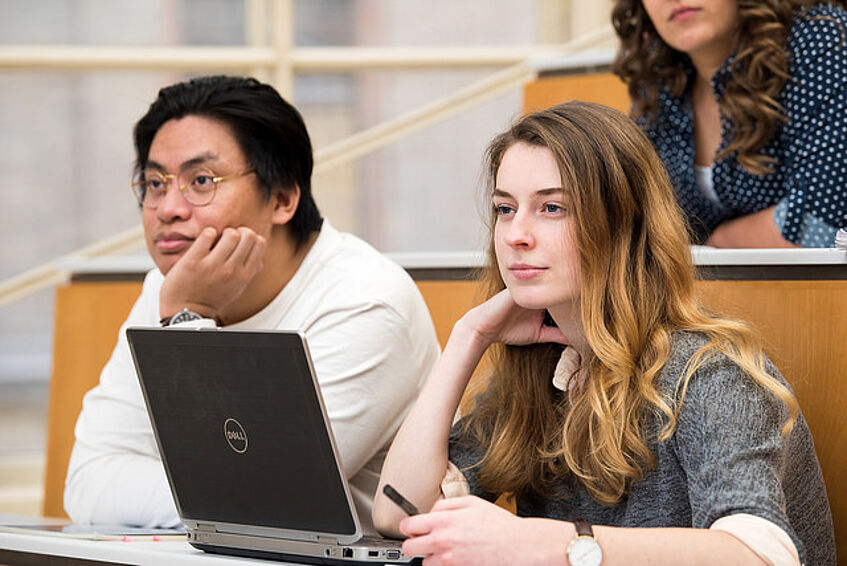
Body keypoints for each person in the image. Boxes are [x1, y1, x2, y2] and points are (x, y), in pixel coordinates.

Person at [372, 102, 835, 566]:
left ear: (622, 227)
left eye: (552, 208)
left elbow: (761, 555)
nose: (516, 234)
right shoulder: (548, 369)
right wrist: (468, 336)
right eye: (505, 208)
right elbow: (400, 512)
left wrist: (556, 545)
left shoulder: (712, 373)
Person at [64, 75, 440, 532]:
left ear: (282, 198)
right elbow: (87, 484)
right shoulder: (168, 290)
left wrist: (186, 320)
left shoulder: (366, 301)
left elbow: (264, 502)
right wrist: (186, 310)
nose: (168, 208)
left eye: (201, 181)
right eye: (155, 183)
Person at [612, 0, 847, 247]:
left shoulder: (823, 38)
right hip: (708, 285)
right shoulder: (658, 75)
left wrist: (714, 244)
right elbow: (639, 225)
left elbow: (822, 225)